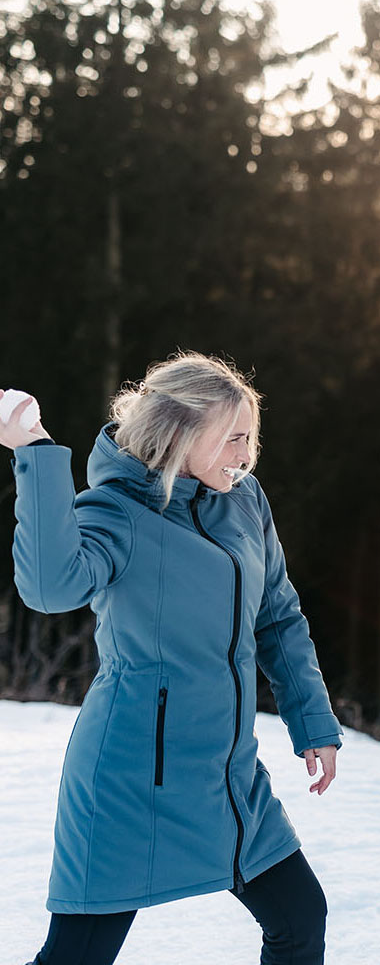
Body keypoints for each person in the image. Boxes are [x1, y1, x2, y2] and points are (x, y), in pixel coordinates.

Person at [4, 352, 344, 965]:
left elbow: (277, 617)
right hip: (129, 777)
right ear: (182, 434)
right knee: (77, 956)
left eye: (250, 438)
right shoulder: (117, 511)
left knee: (300, 919)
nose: (246, 455)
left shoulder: (244, 501)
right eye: (233, 438)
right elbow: (51, 588)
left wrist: (312, 721)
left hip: (226, 774)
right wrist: (36, 452)